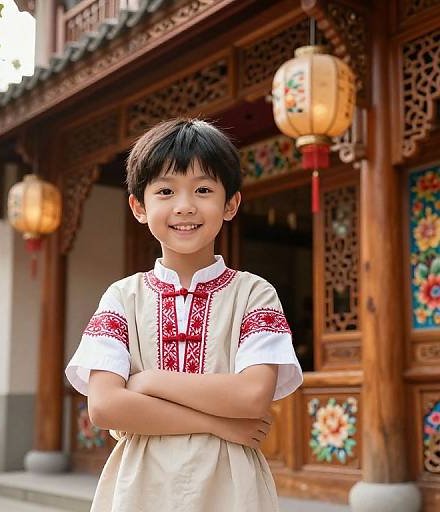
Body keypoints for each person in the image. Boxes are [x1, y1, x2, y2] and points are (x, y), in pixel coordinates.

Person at [65, 118, 303, 511]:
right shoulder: (122, 297)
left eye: (204, 189)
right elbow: (105, 407)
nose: (185, 206)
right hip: (140, 487)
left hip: (231, 486)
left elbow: (252, 397)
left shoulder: (254, 294)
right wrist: (219, 423)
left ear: (231, 204)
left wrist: (147, 381)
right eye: (165, 191)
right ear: (139, 207)